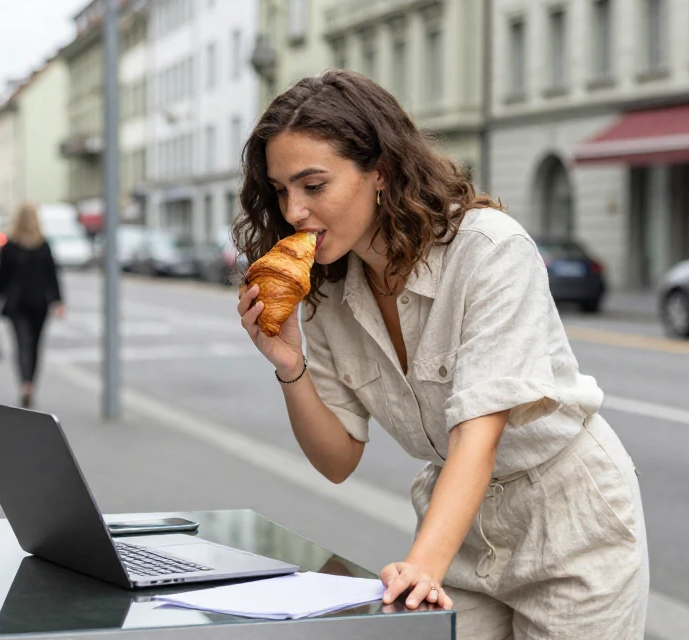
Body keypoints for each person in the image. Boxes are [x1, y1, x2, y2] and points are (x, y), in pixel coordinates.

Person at [233, 70, 648, 639]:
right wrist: (290, 366)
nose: (294, 211)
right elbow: (337, 461)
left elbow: (478, 435)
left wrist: (422, 564)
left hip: (570, 524)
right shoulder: (324, 289)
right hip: (461, 531)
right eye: (281, 191)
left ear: (378, 173)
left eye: (312, 185)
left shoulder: (490, 250)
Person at [0, 203, 64, 409]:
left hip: (16, 303)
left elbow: (0, 278)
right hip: (39, 303)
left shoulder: (10, 246)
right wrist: (58, 300)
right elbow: (52, 276)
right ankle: (31, 383)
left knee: (22, 344)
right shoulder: (43, 244)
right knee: (36, 346)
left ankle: (24, 384)